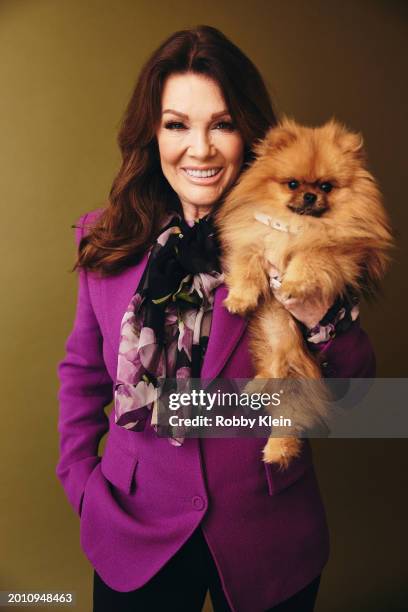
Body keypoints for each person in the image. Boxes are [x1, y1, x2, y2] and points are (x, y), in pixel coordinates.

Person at [56, 25, 376, 612]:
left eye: (221, 124)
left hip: (270, 537)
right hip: (133, 528)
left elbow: (361, 402)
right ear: (151, 133)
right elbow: (81, 372)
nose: (199, 149)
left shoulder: (305, 235)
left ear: (251, 134)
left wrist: (318, 313)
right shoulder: (105, 238)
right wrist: (80, 481)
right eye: (177, 124)